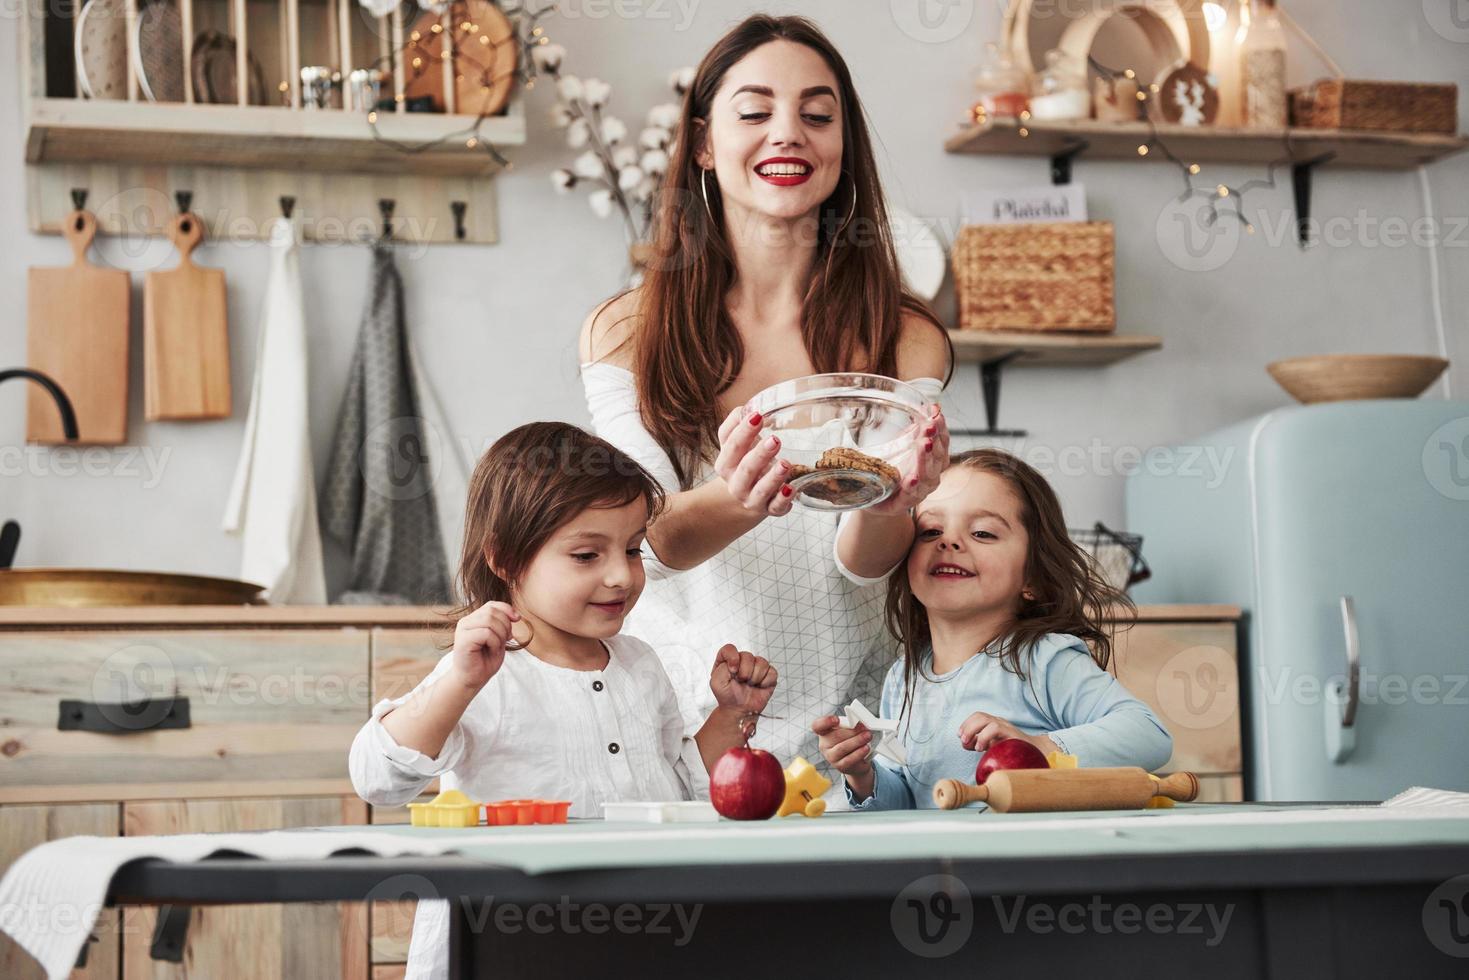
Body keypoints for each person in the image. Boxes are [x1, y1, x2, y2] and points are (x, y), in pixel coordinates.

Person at [581, 13, 952, 772]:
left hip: (849, 728)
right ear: (706, 145)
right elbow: (646, 543)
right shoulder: (628, 331)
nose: (788, 133)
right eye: (754, 112)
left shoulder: (905, 337)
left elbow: (867, 564)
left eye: (817, 116)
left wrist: (893, 503)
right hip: (680, 723)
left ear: (842, 148)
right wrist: (736, 497)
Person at [349, 422, 777, 979]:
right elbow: (378, 780)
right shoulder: (481, 671)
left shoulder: (641, 664)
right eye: (585, 556)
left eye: (632, 549)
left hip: (636, 934)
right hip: (506, 942)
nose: (621, 575)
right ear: (505, 560)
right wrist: (458, 682)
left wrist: (730, 714)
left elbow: (682, 786)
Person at [813, 449, 1172, 809]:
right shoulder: (902, 677)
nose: (948, 542)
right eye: (930, 531)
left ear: (1032, 577)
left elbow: (1150, 735)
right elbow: (909, 798)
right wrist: (862, 775)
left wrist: (1039, 749)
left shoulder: (1042, 659)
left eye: (983, 533)